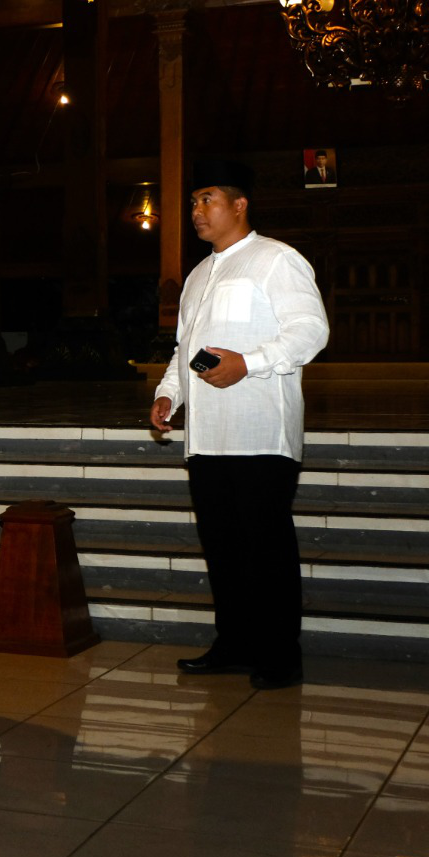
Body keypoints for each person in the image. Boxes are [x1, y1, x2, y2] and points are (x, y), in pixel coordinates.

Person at [150, 158, 329, 690]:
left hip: (259, 433)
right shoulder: (199, 274)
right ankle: (233, 643)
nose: (197, 210)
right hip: (206, 437)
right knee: (223, 547)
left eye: (207, 199)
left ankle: (279, 655)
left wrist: (248, 363)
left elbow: (311, 331)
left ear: (239, 204)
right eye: (193, 201)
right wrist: (168, 395)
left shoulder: (276, 260)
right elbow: (186, 349)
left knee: (265, 548)